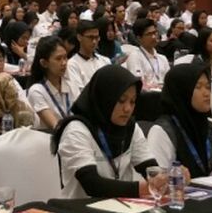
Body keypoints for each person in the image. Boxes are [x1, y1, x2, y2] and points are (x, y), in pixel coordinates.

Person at [53, 65, 158, 199]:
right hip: (83, 211)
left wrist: (167, 177)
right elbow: (93, 185)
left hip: (125, 208)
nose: (128, 109)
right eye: (121, 101)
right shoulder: (76, 130)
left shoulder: (130, 127)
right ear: (105, 97)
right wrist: (141, 188)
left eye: (132, 102)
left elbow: (149, 168)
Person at [148, 63, 212, 178]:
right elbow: (156, 180)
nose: (206, 93)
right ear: (182, 91)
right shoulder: (163, 131)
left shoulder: (210, 127)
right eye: (198, 87)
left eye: (208, 87)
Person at [25, 36, 75, 131]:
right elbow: (55, 126)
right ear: (44, 63)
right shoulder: (36, 90)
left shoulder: (70, 83)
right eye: (58, 59)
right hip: (48, 140)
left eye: (65, 57)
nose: (64, 63)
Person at [123, 18, 168, 90]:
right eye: (149, 34)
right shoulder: (135, 57)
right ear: (139, 38)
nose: (154, 37)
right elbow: (139, 85)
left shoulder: (163, 58)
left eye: (155, 33)